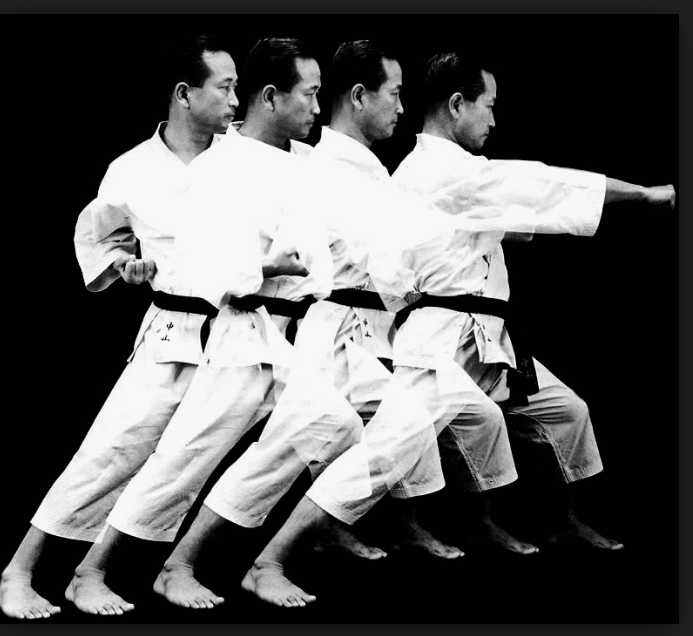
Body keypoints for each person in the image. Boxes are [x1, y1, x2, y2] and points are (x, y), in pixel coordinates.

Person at [238, 49, 676, 608]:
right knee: (368, 446)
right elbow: (540, 185)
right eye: (488, 106)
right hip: (398, 330)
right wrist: (641, 194)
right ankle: (275, 555)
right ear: (456, 105)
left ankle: (514, 521)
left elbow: (504, 210)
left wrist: (497, 225)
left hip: (448, 329)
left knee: (525, 416)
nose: (494, 119)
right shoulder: (420, 170)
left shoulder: (407, 173)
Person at [61, 36, 368, 618]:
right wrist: (262, 269)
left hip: (277, 332)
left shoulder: (289, 161)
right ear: (270, 97)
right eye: (309, 95)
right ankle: (91, 570)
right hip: (231, 327)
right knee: (171, 459)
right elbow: (204, 264)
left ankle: (204, 560)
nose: (317, 108)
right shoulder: (215, 168)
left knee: (333, 425)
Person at [0, 32, 246, 621]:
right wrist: (123, 264)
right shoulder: (132, 169)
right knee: (113, 449)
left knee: (196, 460)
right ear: (184, 94)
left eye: (239, 87)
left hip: (243, 330)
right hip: (173, 329)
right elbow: (100, 235)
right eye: (226, 87)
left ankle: (114, 570)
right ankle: (21, 570)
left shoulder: (248, 158)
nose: (236, 101)